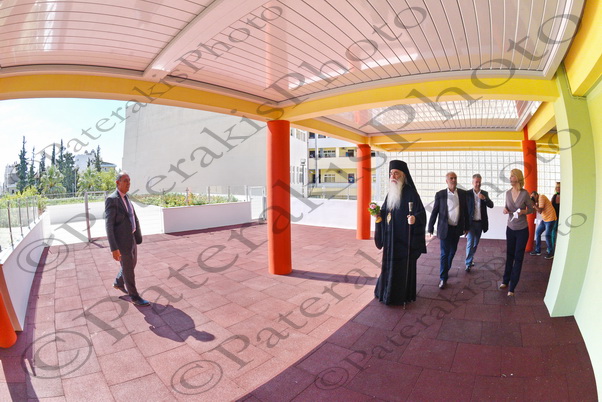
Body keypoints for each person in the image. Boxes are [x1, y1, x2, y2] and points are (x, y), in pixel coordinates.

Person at [374, 160, 427, 305]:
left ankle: (399, 296)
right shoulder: (390, 193)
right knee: (388, 267)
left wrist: (414, 219)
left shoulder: (411, 193)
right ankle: (385, 292)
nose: (392, 176)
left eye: (396, 173)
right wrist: (378, 214)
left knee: (401, 269)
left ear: (403, 175)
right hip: (390, 240)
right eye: (391, 173)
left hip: (404, 241)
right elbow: (385, 211)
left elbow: (421, 214)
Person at [105, 172, 150, 306]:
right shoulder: (112, 199)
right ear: (117, 183)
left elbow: (133, 216)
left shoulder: (126, 197)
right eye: (125, 181)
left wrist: (137, 234)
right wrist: (114, 248)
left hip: (132, 238)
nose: (128, 184)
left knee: (131, 264)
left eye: (129, 181)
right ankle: (134, 297)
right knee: (129, 269)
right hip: (122, 241)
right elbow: (109, 225)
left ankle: (119, 282)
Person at [428, 172, 469, 289]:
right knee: (444, 253)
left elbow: (466, 211)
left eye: (455, 178)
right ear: (447, 181)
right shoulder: (440, 194)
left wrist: (466, 227)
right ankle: (443, 278)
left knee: (452, 251)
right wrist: (430, 227)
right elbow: (435, 211)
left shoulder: (462, 194)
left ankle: (446, 269)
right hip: (444, 229)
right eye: (451, 178)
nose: (454, 180)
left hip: (456, 228)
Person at [501, 169, 534, 296]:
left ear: (518, 178)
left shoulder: (525, 194)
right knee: (509, 255)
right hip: (510, 228)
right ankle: (505, 281)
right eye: (510, 176)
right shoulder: (508, 193)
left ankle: (512, 287)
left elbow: (531, 209)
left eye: (512, 176)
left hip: (522, 230)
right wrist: (505, 210)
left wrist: (522, 212)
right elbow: (506, 207)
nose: (510, 178)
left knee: (518, 257)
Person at [465, 174, 494, 271]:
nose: (478, 184)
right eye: (476, 182)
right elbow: (464, 209)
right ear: (472, 182)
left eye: (479, 182)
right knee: (470, 242)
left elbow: (491, 205)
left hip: (480, 223)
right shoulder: (467, 194)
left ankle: (471, 258)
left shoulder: (484, 193)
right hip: (470, 223)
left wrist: (484, 198)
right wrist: (464, 225)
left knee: (475, 243)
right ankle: (468, 263)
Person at [530, 191, 557, 259]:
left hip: (550, 219)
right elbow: (533, 212)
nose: (532, 198)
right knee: (538, 233)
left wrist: (534, 205)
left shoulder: (541, 197)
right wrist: (532, 204)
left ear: (536, 195)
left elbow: (540, 211)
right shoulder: (538, 201)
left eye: (533, 197)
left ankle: (551, 252)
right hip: (545, 219)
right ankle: (538, 250)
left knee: (547, 235)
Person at [551, 182, 560, 250]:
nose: (558, 188)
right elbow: (551, 206)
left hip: (562, 217)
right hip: (554, 217)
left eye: (559, 187)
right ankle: (552, 247)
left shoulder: (564, 196)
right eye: (557, 187)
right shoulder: (554, 196)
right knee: (553, 232)